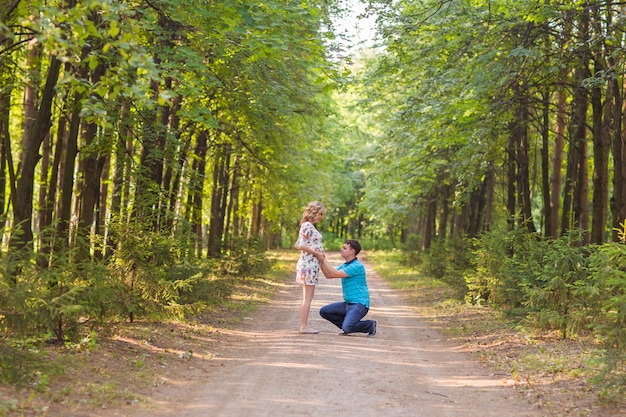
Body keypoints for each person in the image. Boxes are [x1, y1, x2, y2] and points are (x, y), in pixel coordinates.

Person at [315, 239, 377, 337]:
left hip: (359, 304)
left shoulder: (357, 266)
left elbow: (335, 273)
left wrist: (323, 259)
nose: (341, 249)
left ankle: (369, 325)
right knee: (324, 311)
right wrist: (321, 261)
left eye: (344, 248)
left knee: (347, 327)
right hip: (347, 304)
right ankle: (348, 324)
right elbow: (329, 275)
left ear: (352, 251)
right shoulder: (345, 265)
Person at [294, 201, 327, 334]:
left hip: (310, 264)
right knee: (307, 297)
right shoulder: (307, 225)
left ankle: (304, 325)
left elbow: (298, 244)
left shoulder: (308, 226)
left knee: (308, 296)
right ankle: (304, 326)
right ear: (314, 212)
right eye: (320, 214)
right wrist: (317, 253)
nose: (321, 217)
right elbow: (301, 246)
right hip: (308, 265)